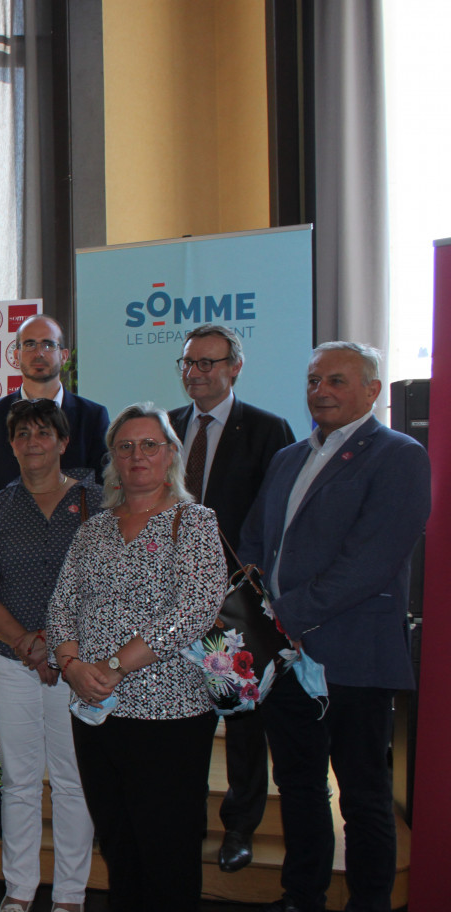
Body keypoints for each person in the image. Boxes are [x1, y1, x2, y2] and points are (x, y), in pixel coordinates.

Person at [240, 342, 431, 912]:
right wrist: (258, 616)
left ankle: (369, 903)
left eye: (337, 381)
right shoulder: (289, 457)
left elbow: (371, 561)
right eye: (314, 379)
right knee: (299, 789)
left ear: (373, 390)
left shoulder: (399, 455)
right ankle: (303, 897)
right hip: (287, 659)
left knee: (364, 795)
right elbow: (253, 541)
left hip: (354, 655)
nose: (320, 390)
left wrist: (288, 615)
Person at [46, 403, 226, 912]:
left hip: (168, 714)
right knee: (119, 845)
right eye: (125, 446)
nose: (137, 455)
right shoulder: (93, 530)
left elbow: (192, 609)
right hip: (96, 712)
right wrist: (73, 664)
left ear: (171, 454)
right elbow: (62, 605)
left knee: (167, 849)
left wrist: (113, 666)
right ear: (113, 459)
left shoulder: (193, 523)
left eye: (149, 444)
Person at [167, 324, 295, 874]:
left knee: (241, 722)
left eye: (209, 363)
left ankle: (240, 826)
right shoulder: (166, 428)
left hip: (232, 603)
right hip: (169, 600)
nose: (196, 373)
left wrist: (248, 576)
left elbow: (279, 513)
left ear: (234, 368)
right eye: (189, 363)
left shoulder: (268, 430)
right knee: (181, 720)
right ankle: (184, 821)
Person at [0, 398, 100, 912]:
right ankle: (19, 890)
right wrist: (28, 643)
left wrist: (57, 644)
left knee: (73, 781)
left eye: (43, 433)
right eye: (22, 434)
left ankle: (70, 895)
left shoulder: (97, 503)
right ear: (11, 444)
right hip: (7, 661)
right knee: (20, 781)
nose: (33, 443)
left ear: (64, 442)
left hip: (78, 663)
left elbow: (104, 587)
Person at [0, 315, 110, 508]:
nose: (39, 353)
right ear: (16, 355)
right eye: (29, 345)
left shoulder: (93, 417)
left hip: (80, 534)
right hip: (7, 534)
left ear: (64, 355)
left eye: (48, 345)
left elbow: (102, 491)